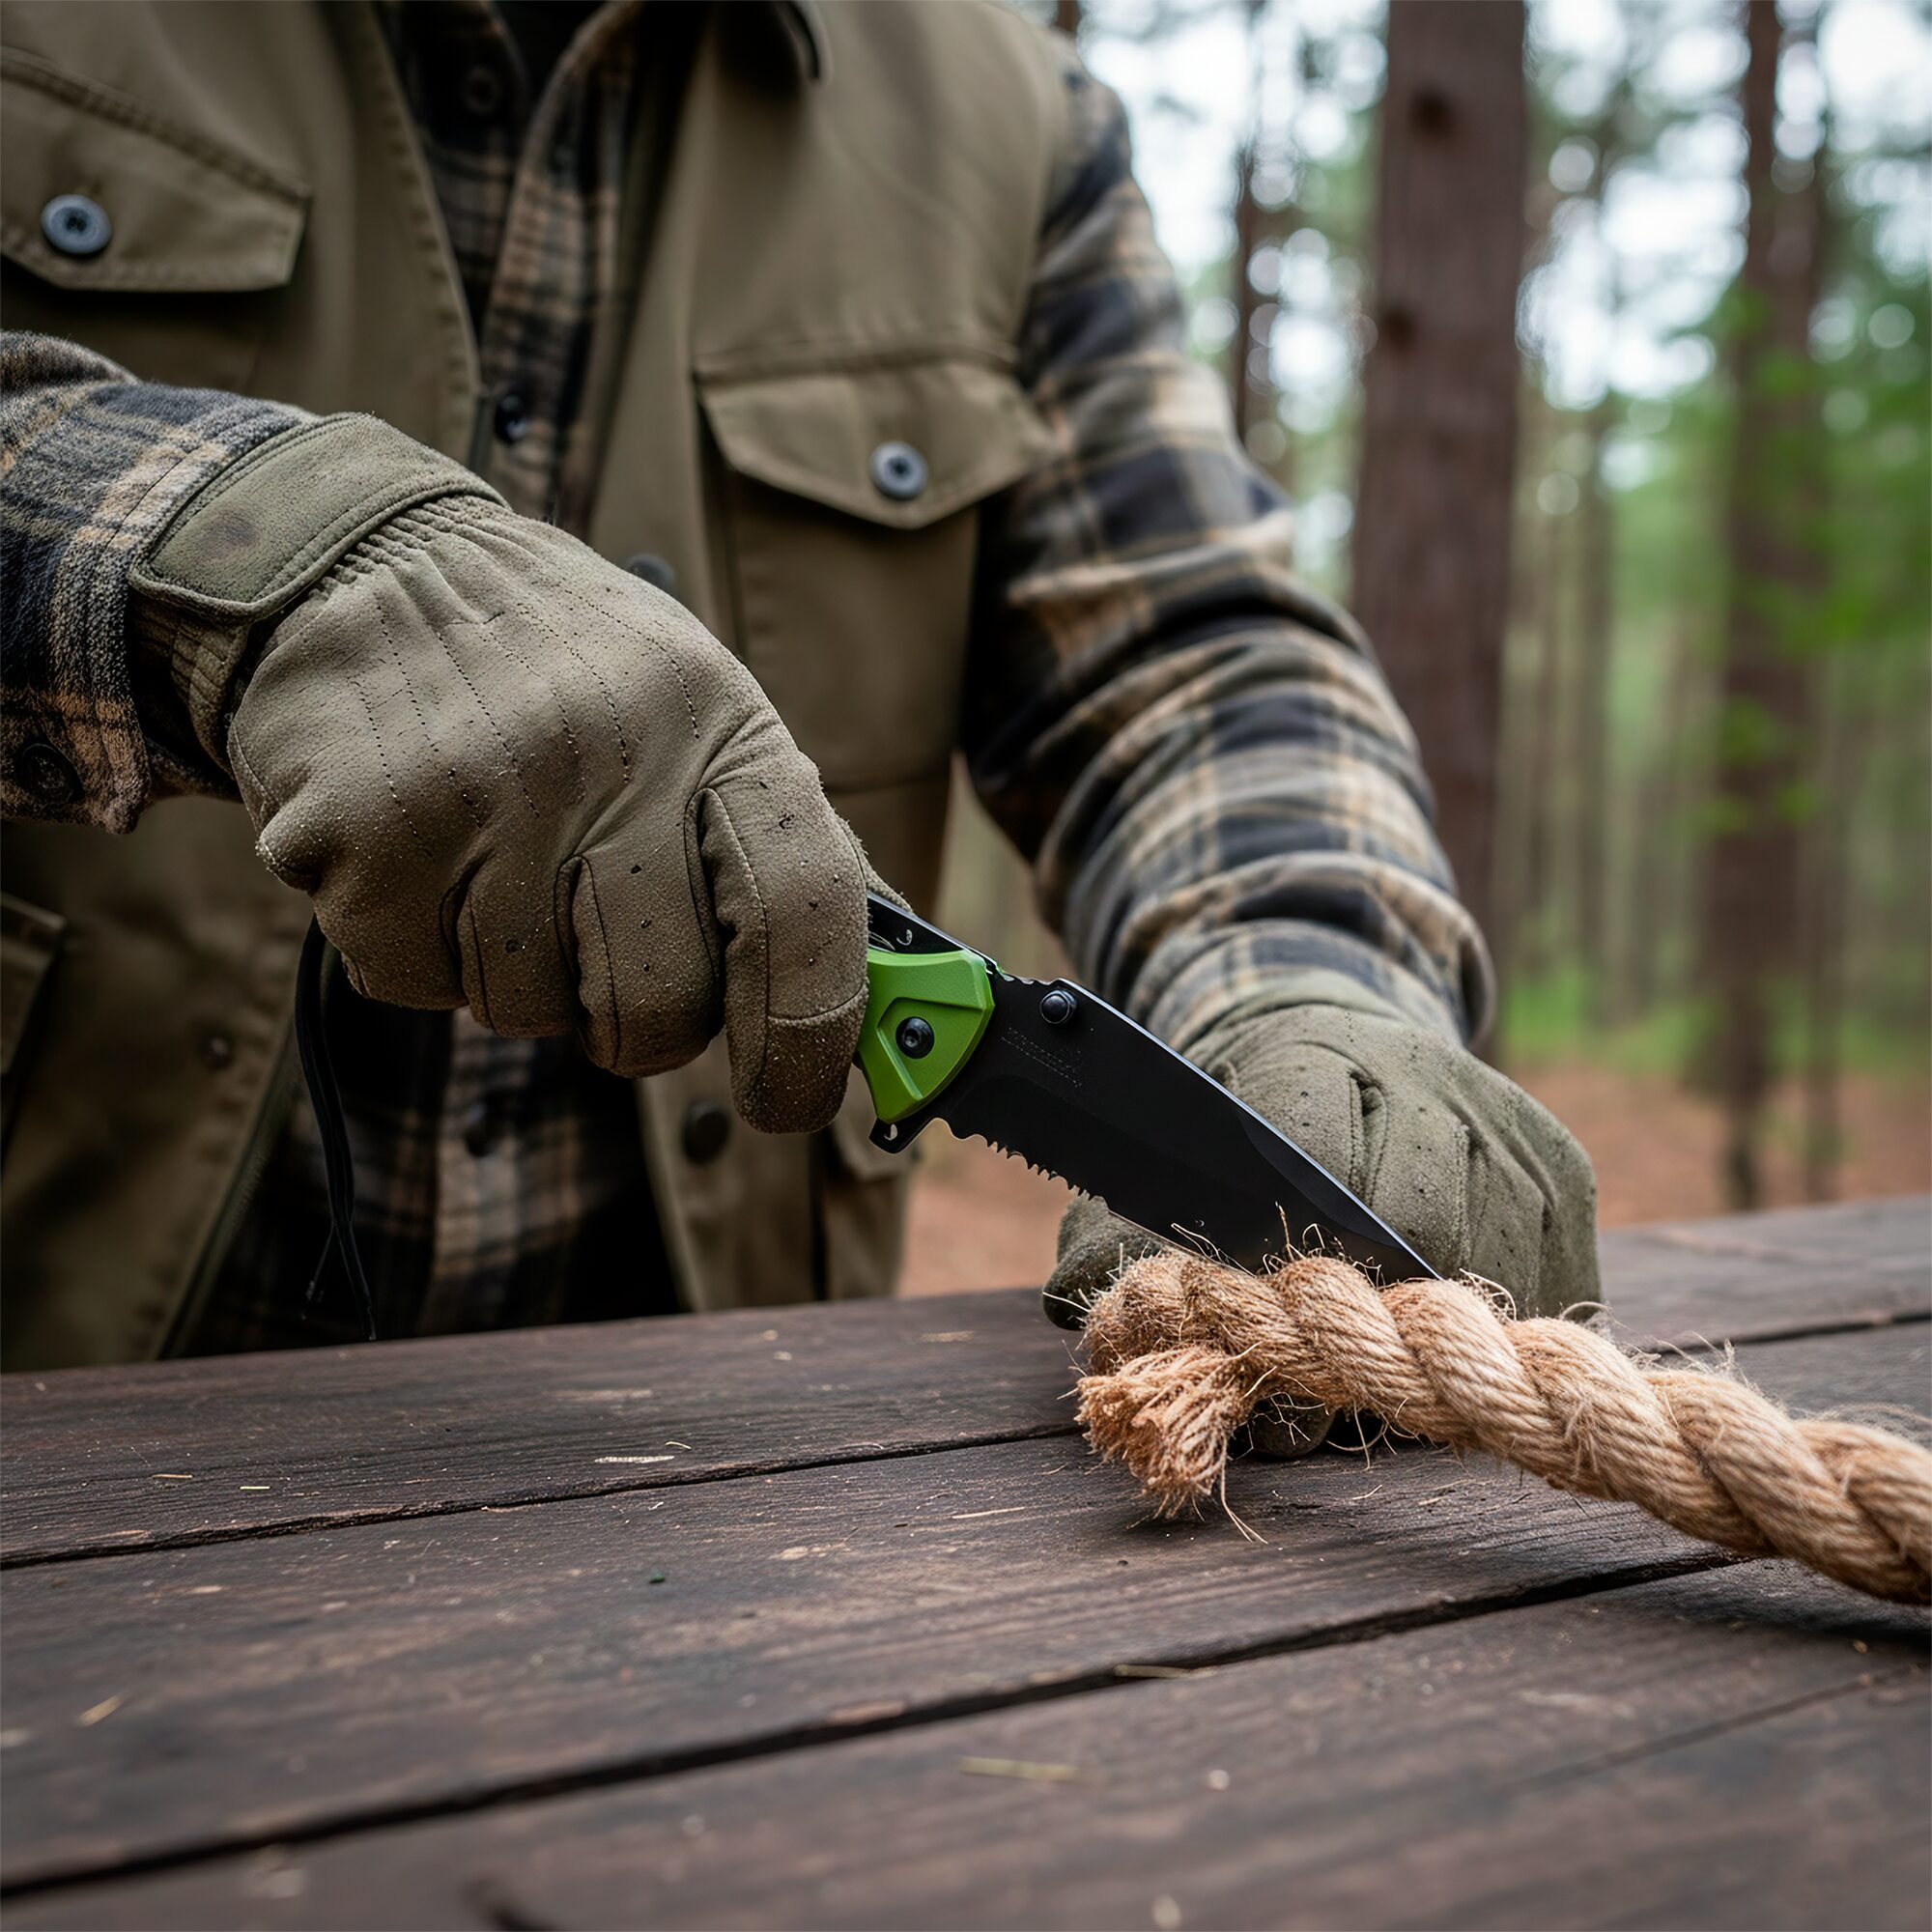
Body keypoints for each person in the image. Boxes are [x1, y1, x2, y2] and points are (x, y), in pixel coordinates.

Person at [0, 0, 1596, 1378]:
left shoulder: (999, 116)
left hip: (716, 1513)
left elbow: (1188, 658)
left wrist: (1317, 982)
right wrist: (222, 544)